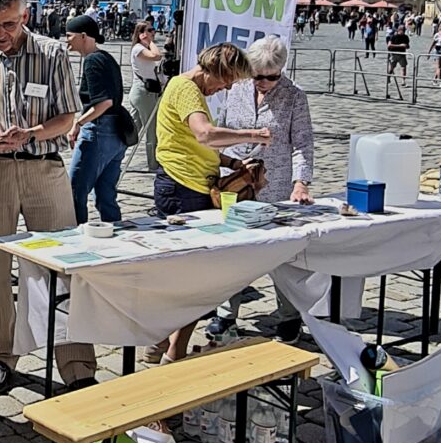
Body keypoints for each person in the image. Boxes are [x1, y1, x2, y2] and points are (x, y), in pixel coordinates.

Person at [0, 0, 97, 395]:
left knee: (60, 266)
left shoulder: (53, 55)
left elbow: (69, 117)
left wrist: (31, 133)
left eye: (7, 25)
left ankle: (75, 362)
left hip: (43, 169)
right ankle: (0, 354)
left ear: (25, 16)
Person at [150, 43, 272, 362]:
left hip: (186, 187)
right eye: (227, 79)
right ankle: (172, 355)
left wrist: (234, 166)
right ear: (213, 70)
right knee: (196, 279)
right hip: (183, 190)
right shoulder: (187, 88)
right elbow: (204, 135)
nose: (228, 87)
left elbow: (197, 146)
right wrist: (251, 135)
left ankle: (161, 343)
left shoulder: (189, 92)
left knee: (187, 275)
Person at [205, 36, 313, 346]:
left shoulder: (294, 97)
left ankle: (290, 316)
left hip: (276, 187)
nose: (263, 82)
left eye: (271, 76)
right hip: (236, 184)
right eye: (258, 76)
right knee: (233, 251)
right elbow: (222, 129)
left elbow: (303, 143)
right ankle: (226, 314)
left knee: (281, 254)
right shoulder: (237, 88)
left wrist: (300, 183)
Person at [65, 15, 127, 224]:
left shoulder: (92, 61)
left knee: (74, 193)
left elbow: (104, 102)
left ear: (83, 36)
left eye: (69, 36)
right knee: (105, 193)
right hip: (117, 133)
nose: (67, 41)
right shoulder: (106, 57)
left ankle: (77, 239)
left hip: (100, 130)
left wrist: (78, 123)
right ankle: (116, 235)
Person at [128, 20, 163, 172]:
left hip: (143, 92)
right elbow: (156, 56)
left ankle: (115, 156)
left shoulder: (141, 48)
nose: (153, 32)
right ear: (141, 33)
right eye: (149, 30)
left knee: (132, 129)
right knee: (151, 129)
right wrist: (150, 42)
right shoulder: (138, 49)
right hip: (144, 93)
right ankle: (153, 164)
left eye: (153, 30)